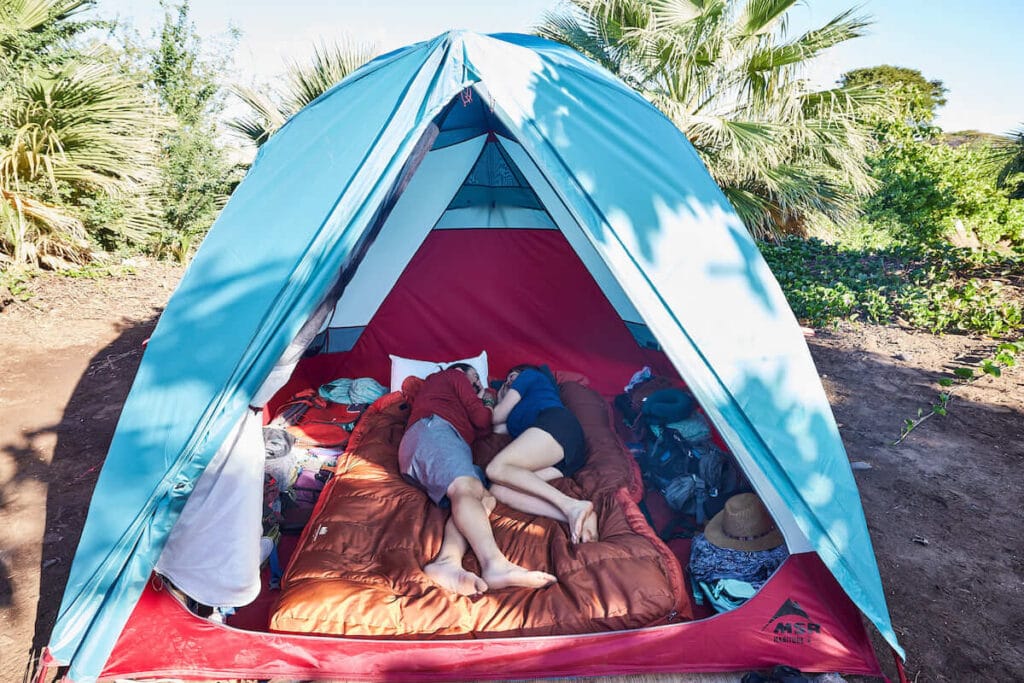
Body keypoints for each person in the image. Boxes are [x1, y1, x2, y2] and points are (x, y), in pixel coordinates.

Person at [399, 363, 556, 596]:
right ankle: (495, 564)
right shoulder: (452, 375)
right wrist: (485, 398)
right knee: (467, 487)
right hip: (433, 430)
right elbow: (483, 419)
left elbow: (484, 431)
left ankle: (447, 562)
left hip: (444, 445)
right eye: (475, 378)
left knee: (485, 497)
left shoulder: (458, 403)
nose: (477, 384)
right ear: (462, 373)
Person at [488, 364, 598, 544]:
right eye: (507, 379)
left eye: (513, 376)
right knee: (498, 489)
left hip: (558, 425)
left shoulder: (530, 376)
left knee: (496, 468)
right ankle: (580, 516)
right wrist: (502, 396)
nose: (509, 380)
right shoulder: (518, 411)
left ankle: (572, 505)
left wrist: (493, 400)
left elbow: (495, 416)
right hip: (564, 457)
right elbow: (497, 428)